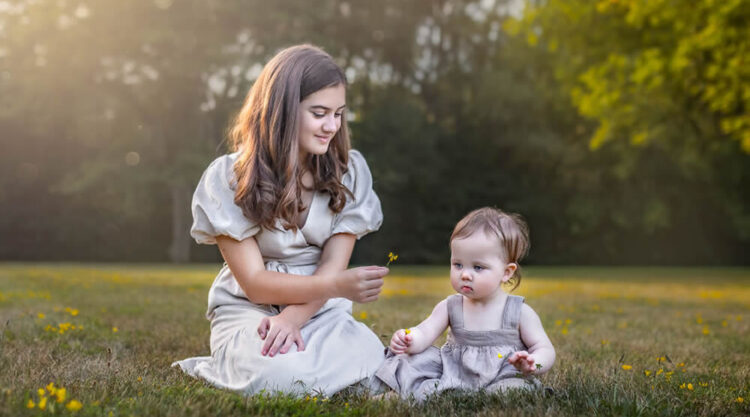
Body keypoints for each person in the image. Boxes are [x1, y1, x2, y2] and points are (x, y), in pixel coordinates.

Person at [173, 45, 389, 397]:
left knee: (373, 365)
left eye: (339, 114)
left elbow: (332, 267)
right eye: (319, 113)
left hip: (320, 311)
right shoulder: (228, 177)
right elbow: (256, 283)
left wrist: (294, 317)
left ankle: (319, 356)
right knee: (277, 377)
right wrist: (335, 288)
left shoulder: (349, 171)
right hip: (249, 308)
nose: (332, 126)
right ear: (284, 111)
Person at [375, 207, 555, 401]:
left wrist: (533, 363)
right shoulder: (450, 306)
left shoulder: (519, 312)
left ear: (506, 272)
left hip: (504, 375)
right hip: (453, 374)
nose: (465, 274)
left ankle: (490, 395)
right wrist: (410, 339)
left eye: (478, 267)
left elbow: (545, 350)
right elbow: (426, 331)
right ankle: (408, 395)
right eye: (458, 264)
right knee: (416, 364)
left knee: (514, 389)